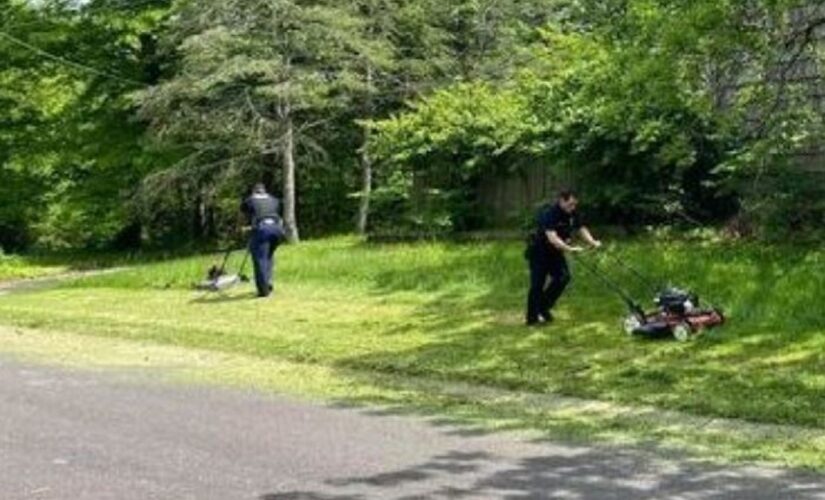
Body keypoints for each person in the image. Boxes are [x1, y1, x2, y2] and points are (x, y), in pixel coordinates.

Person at [525, 189, 602, 326]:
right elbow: (553, 238)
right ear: (561, 200)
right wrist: (570, 249)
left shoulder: (572, 213)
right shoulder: (549, 214)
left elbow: (581, 228)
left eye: (575, 205)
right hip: (539, 253)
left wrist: (592, 242)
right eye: (570, 204)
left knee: (563, 278)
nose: (573, 208)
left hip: (555, 253)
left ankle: (543, 307)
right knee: (537, 284)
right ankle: (532, 319)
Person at [241, 183, 286, 298]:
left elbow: (245, 213)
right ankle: (268, 283)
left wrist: (245, 228)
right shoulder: (274, 200)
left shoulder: (250, 200)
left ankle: (263, 290)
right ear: (264, 191)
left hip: (262, 230)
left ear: (254, 192)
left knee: (260, 259)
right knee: (269, 256)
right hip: (277, 230)